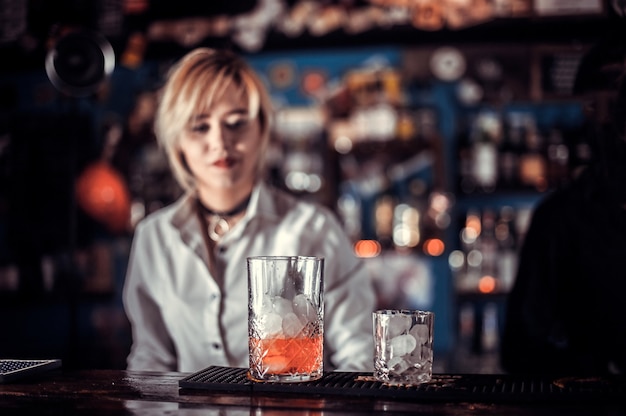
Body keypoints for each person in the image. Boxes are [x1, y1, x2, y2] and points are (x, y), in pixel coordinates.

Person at [122, 48, 376, 373]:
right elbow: (150, 361)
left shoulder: (313, 229)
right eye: (200, 127)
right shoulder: (154, 237)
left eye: (236, 123)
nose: (220, 141)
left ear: (261, 130)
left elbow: (359, 355)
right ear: (177, 141)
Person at [500, 40, 626, 376]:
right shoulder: (559, 218)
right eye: (597, 105)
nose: (610, 121)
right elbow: (519, 350)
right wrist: (596, 372)